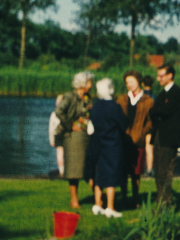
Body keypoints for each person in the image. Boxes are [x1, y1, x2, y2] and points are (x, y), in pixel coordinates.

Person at [87, 78, 127, 218]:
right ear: (111, 89)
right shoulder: (115, 107)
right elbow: (123, 125)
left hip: (97, 142)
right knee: (111, 175)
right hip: (112, 144)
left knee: (98, 174)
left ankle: (98, 204)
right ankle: (110, 207)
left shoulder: (96, 106)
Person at [148, 64, 180, 207]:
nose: (158, 79)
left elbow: (165, 111)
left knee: (165, 170)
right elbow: (154, 112)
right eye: (158, 76)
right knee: (158, 170)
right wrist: (157, 111)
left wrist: (156, 110)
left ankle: (165, 203)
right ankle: (160, 201)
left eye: (161, 76)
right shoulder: (163, 94)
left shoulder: (177, 92)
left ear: (170, 75)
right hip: (159, 135)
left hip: (169, 137)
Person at [55, 72, 94, 209]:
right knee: (74, 170)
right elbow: (59, 111)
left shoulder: (88, 98)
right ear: (82, 84)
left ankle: (98, 197)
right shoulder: (70, 97)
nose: (91, 84)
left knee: (89, 168)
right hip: (71, 137)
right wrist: (70, 124)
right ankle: (74, 200)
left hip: (85, 136)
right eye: (89, 82)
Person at [117, 70, 154, 207]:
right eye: (127, 82)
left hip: (138, 141)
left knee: (136, 173)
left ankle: (135, 198)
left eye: (131, 81)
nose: (129, 85)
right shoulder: (121, 100)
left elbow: (151, 122)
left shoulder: (148, 101)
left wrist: (143, 133)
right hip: (123, 140)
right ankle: (124, 198)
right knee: (123, 171)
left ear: (139, 81)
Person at [48, 94, 65, 177]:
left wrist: (51, 140)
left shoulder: (54, 114)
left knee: (59, 154)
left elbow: (51, 128)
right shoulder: (68, 113)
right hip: (67, 134)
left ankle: (62, 172)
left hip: (58, 135)